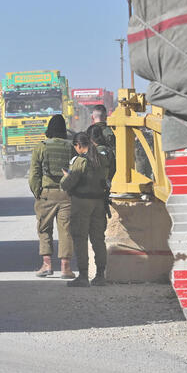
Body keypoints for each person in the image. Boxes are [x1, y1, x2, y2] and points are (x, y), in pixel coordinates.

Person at [60, 132, 109, 287]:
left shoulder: (80, 161)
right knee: (98, 239)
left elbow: (67, 184)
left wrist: (65, 176)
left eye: (76, 147)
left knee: (80, 239)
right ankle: (100, 275)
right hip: (99, 202)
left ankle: (83, 276)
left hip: (81, 204)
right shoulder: (102, 158)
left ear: (79, 145)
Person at [29, 114, 75, 278]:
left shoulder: (40, 147)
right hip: (66, 194)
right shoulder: (70, 147)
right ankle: (66, 268)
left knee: (44, 229)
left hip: (46, 194)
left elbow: (34, 174)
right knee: (66, 230)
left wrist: (38, 193)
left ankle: (47, 265)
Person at [86, 104, 116, 184]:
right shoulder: (113, 132)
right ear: (106, 117)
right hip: (111, 174)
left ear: (92, 117)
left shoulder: (88, 132)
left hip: (92, 175)